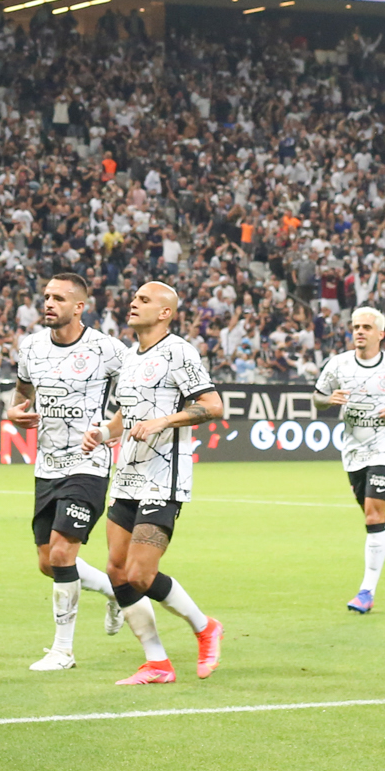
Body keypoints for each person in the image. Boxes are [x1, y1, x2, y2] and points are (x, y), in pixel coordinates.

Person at [89, 280, 225, 685]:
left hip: (163, 477)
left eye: (144, 300)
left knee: (141, 575)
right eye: (133, 297)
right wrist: (102, 434)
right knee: (116, 570)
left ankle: (205, 628)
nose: (133, 303)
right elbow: (123, 416)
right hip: (127, 476)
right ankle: (157, 662)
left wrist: (165, 420)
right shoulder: (129, 357)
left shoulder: (178, 352)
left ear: (165, 312)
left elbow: (213, 405)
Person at [7, 272, 125, 672]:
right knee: (49, 562)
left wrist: (107, 431)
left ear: (79, 306)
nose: (48, 303)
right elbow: (23, 391)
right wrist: (13, 410)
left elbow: (137, 399)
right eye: (46, 296)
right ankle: (114, 591)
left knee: (61, 552)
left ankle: (63, 651)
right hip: (46, 465)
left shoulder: (108, 350)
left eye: (58, 297)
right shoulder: (32, 347)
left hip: (89, 463)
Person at [314, 306, 385, 614]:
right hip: (353, 448)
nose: (359, 331)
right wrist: (327, 400)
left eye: (366, 328)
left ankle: (366, 592)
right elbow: (317, 397)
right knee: (373, 515)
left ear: (380, 334)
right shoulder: (338, 364)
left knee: (373, 516)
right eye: (356, 327)